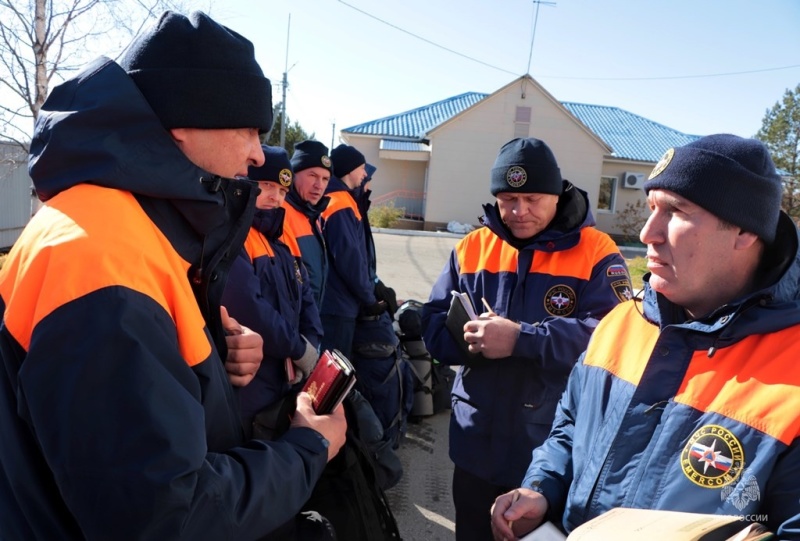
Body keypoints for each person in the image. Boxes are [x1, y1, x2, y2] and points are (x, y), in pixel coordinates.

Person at [0, 11, 345, 540]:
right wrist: (306, 449)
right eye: (247, 129)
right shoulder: (99, 256)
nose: (256, 155)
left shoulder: (125, 221)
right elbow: (162, 515)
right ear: (183, 123)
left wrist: (209, 365)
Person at [490, 134, 800, 540]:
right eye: (652, 207)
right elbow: (569, 428)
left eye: (676, 212)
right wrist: (542, 488)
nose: (648, 233)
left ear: (744, 231)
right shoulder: (623, 321)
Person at [422, 137, 631, 541]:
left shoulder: (596, 250)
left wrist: (523, 339)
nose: (519, 212)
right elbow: (432, 322)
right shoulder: (472, 247)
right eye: (508, 199)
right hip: (474, 444)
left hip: (547, 452)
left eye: (533, 198)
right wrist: (475, 342)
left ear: (556, 193)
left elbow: (614, 340)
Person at [221, 145, 323, 439]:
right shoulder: (233, 237)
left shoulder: (281, 243)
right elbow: (249, 308)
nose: (274, 197)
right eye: (266, 186)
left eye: (281, 190)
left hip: (285, 375)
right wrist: (299, 349)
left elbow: (307, 299)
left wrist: (310, 347)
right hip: (250, 379)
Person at [319, 144, 386, 359]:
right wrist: (369, 298)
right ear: (349, 170)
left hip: (336, 303)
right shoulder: (340, 202)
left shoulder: (341, 199)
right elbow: (350, 260)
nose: (365, 174)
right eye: (362, 168)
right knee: (332, 374)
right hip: (337, 306)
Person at [282, 140, 333, 307]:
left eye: (325, 179)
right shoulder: (280, 213)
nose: (319, 186)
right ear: (294, 174)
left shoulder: (311, 215)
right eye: (313, 176)